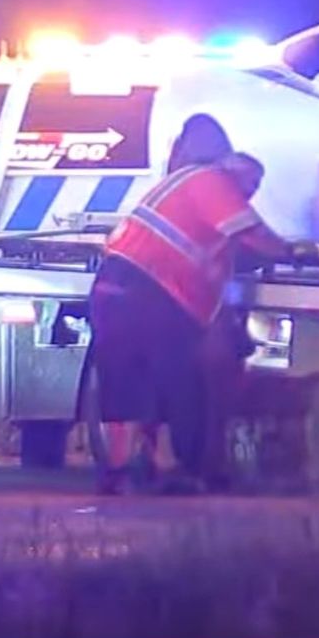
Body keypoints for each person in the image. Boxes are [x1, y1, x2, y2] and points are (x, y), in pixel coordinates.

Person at [87, 151, 295, 495]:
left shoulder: (201, 203)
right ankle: (168, 469)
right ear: (233, 171)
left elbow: (217, 271)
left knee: (129, 381)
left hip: (125, 289)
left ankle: (124, 471)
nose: (252, 193)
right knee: (174, 384)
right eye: (252, 183)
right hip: (148, 291)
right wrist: (290, 251)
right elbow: (252, 233)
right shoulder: (210, 180)